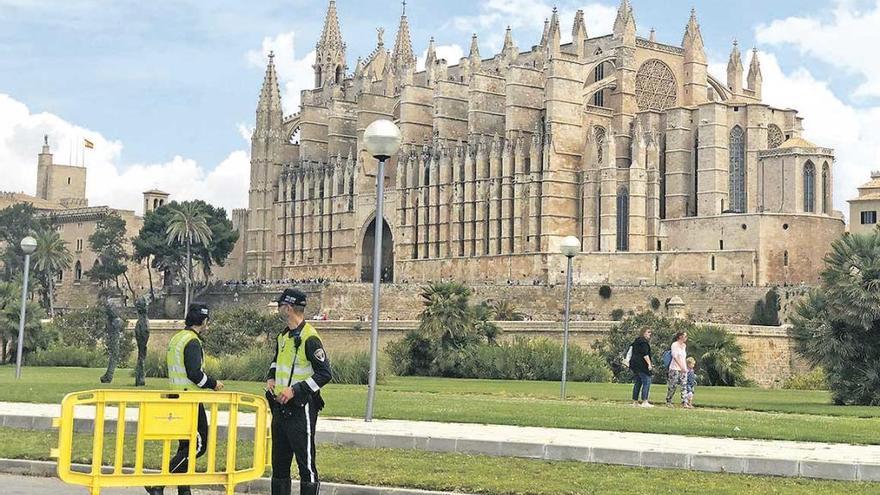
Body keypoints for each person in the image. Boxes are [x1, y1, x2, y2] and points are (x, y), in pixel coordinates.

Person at [145, 303, 224, 495]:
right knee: (198, 446)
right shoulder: (193, 341)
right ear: (204, 321)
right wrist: (214, 384)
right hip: (189, 399)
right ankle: (158, 483)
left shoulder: (177, 338)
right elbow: (195, 373)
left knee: (185, 446)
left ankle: (184, 488)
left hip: (177, 396)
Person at [267, 288, 333, 495]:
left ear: (287, 308)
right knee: (279, 463)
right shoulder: (283, 336)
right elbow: (277, 360)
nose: (278, 308)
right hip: (280, 407)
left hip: (301, 408)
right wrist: (271, 376)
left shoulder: (309, 338)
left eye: (280, 305)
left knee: (306, 464)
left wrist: (296, 390)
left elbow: (324, 374)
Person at [629, 327, 654, 407]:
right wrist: (649, 364)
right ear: (644, 333)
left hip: (635, 365)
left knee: (638, 383)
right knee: (647, 382)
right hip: (642, 365)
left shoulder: (636, 341)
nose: (650, 334)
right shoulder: (644, 342)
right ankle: (644, 401)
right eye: (648, 332)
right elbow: (645, 354)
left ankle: (635, 401)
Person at [665, 332, 689, 408]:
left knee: (684, 386)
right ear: (680, 337)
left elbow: (683, 358)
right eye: (685, 336)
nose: (686, 338)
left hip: (683, 369)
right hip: (675, 368)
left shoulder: (684, 346)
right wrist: (680, 366)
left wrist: (684, 367)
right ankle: (669, 401)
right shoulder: (674, 345)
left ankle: (684, 402)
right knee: (673, 385)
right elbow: (675, 357)